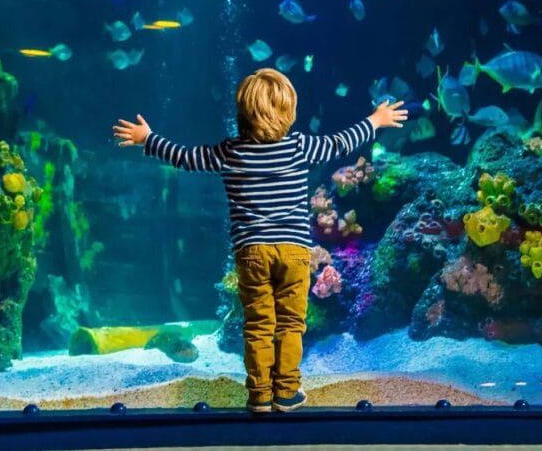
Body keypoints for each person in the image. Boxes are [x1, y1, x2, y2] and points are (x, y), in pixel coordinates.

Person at [112, 68, 407, 413]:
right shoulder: (301, 146)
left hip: (251, 251)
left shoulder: (230, 151)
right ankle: (286, 392)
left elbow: (186, 158)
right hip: (294, 252)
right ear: (289, 112)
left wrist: (148, 139)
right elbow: (342, 142)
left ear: (242, 113)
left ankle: (259, 395)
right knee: (291, 323)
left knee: (258, 325)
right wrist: (375, 119)